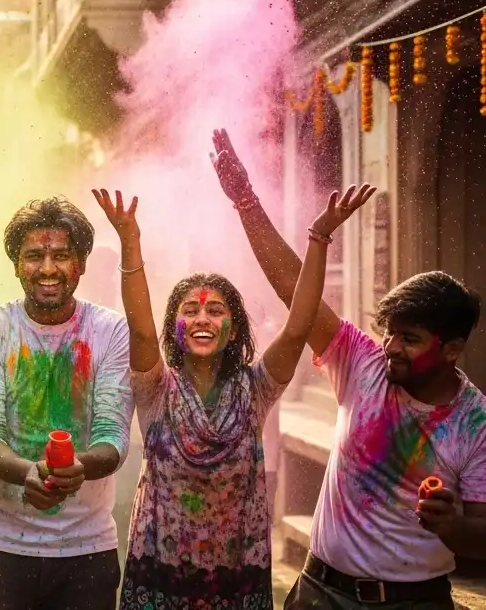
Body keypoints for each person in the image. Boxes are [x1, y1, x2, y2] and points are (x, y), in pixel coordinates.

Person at [211, 129, 486, 609]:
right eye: (390, 333)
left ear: (452, 349)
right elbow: (294, 290)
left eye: (411, 339)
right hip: (320, 592)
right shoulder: (363, 362)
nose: (392, 348)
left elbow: (482, 535)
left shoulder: (476, 422)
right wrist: (246, 201)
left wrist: (454, 527)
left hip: (414, 601)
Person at [91, 185, 372, 609]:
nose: (203, 318)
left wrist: (318, 237)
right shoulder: (155, 389)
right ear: (175, 329)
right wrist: (131, 243)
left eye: (216, 310)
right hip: (161, 580)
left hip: (235, 581)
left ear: (235, 328)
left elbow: (298, 329)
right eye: (190, 310)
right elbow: (142, 330)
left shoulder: (255, 389)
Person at [0, 196, 132, 610]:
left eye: (62, 255)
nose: (48, 269)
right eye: (34, 255)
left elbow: (113, 435)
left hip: (86, 548)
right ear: (16, 264)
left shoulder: (109, 331)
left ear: (82, 263)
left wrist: (79, 468)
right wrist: (26, 472)